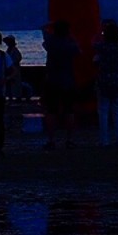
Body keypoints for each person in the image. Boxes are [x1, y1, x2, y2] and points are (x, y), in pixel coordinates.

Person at [41, 20, 81, 149]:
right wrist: (71, 36)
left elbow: (44, 33)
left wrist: (49, 27)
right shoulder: (70, 45)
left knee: (51, 111)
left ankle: (51, 139)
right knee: (69, 110)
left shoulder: (50, 43)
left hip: (52, 80)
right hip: (68, 80)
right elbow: (79, 51)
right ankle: (69, 139)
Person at [93, 21, 118, 146]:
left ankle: (104, 140)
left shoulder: (102, 46)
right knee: (117, 110)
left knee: (103, 111)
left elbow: (94, 42)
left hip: (104, 80)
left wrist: (100, 30)